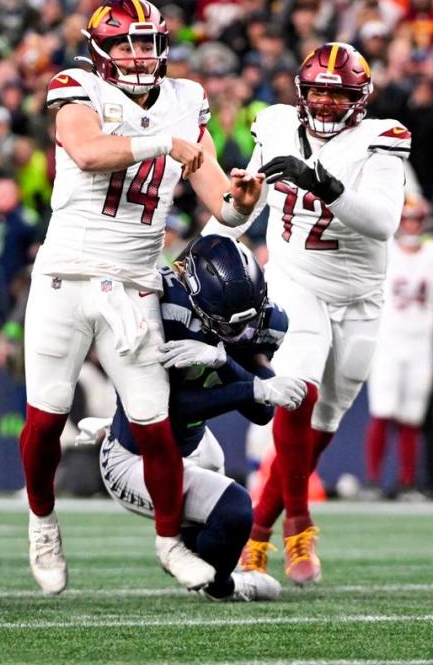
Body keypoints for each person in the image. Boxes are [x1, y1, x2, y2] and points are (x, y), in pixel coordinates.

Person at [22, 0, 264, 596]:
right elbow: (86, 150)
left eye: (146, 42)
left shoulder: (186, 101)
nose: (137, 53)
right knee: (46, 418)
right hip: (67, 275)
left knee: (154, 424)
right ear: (100, 49)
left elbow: (222, 205)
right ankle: (42, 523)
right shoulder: (78, 87)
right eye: (126, 42)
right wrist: (164, 144)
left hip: (133, 283)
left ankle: (168, 543)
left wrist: (245, 200)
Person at [205, 42, 409, 586]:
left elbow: (383, 221)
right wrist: (224, 224)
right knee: (298, 389)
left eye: (334, 92)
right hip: (296, 279)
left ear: (358, 99)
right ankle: (300, 523)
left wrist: (320, 181)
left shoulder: (380, 138)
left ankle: (256, 536)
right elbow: (242, 206)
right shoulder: (273, 124)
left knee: (325, 424)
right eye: (315, 89)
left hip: (361, 296)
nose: (322, 101)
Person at [87, 235, 295, 601]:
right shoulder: (159, 310)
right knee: (234, 508)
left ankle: (198, 561)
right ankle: (227, 588)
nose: (240, 333)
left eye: (247, 323)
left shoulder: (262, 318)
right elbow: (166, 410)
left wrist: (223, 361)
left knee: (218, 525)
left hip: (195, 442)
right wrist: (246, 385)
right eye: (227, 325)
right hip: (136, 454)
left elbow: (262, 412)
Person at [363, 195, 433, 499]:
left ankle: (407, 482)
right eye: (406, 219)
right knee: (382, 409)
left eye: (415, 219)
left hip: (421, 344)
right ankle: (372, 481)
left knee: (412, 415)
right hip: (387, 342)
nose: (410, 225)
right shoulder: (383, 254)